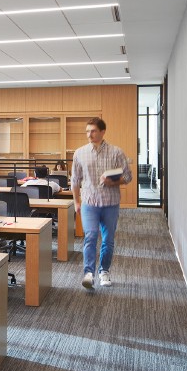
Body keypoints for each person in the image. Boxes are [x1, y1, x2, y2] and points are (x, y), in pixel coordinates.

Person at [71, 117, 132, 289]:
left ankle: (104, 271)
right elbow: (75, 180)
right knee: (90, 237)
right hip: (89, 203)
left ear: (102, 132)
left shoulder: (117, 152)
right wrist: (76, 202)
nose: (89, 134)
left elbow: (128, 177)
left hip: (110, 203)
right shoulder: (79, 153)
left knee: (108, 240)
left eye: (93, 131)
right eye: (87, 131)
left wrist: (114, 181)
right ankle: (88, 273)